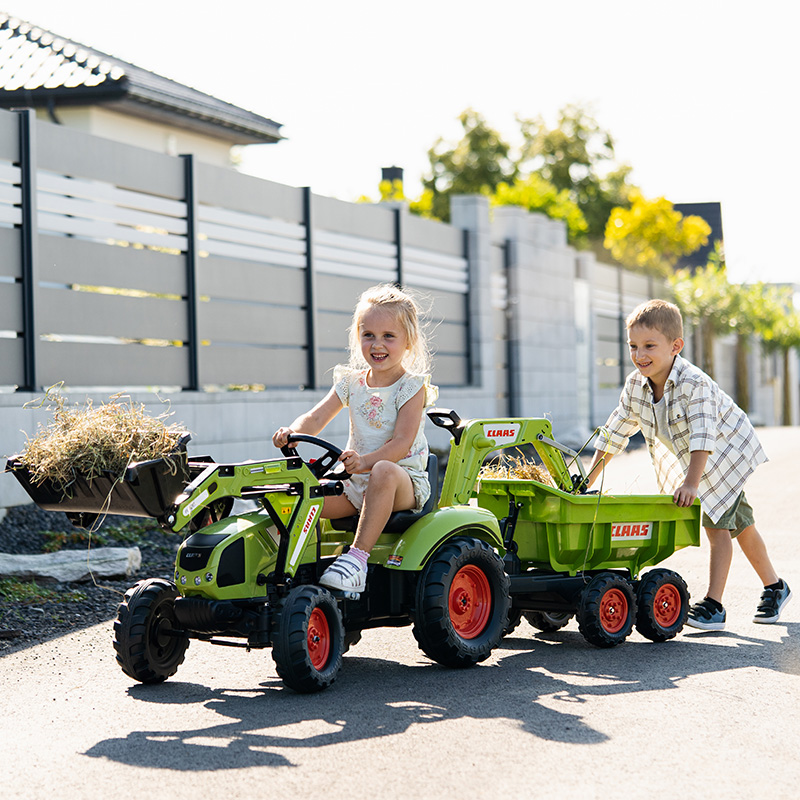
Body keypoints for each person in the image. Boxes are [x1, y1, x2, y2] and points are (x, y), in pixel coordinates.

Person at [586, 299, 791, 630]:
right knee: (741, 524)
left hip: (725, 453)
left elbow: (703, 436)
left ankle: (714, 606)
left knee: (717, 523)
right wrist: (587, 481)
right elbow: (614, 433)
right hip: (698, 459)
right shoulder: (636, 385)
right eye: (633, 346)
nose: (639, 354)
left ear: (675, 346)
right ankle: (775, 586)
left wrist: (692, 484)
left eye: (649, 346)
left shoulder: (693, 383)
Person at [272, 283, 438, 594]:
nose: (377, 344)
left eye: (388, 336)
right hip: (355, 483)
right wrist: (292, 432)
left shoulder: (411, 387)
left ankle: (357, 560)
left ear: (409, 341)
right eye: (369, 335)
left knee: (383, 470)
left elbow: (401, 443)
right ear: (358, 335)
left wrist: (364, 462)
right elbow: (316, 418)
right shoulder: (351, 383)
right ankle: (281, 562)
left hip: (401, 481)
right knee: (301, 493)